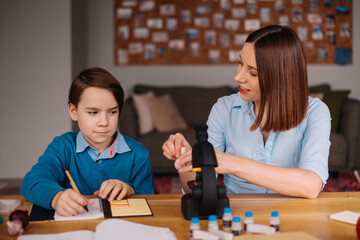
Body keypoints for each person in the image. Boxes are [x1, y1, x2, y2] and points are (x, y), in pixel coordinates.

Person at [162, 25, 331, 199]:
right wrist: (191, 159)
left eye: (252, 72)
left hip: (293, 216)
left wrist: (233, 164)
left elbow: (311, 185)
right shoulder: (224, 109)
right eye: (241, 63)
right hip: (237, 216)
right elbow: (199, 188)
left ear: (281, 78)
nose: (238, 77)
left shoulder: (315, 112)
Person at [21, 67, 155, 216]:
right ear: (73, 111)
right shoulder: (62, 147)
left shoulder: (138, 153)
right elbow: (31, 181)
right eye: (93, 112)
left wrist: (130, 190)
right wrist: (56, 197)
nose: (104, 122)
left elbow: (150, 201)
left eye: (112, 112)